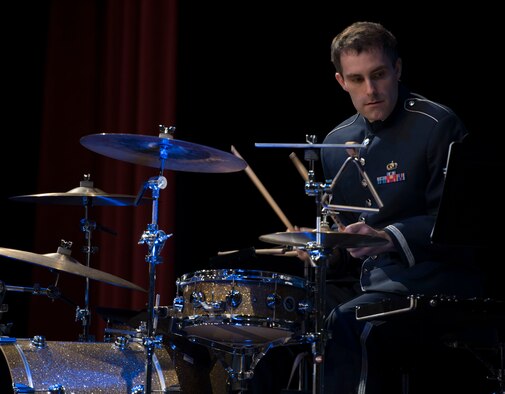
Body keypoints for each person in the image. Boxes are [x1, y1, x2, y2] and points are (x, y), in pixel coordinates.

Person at [317, 21, 489, 393]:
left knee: (347, 323)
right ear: (341, 82)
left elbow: (460, 227)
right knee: (295, 322)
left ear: (397, 69)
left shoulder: (436, 124)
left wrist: (387, 237)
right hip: (369, 284)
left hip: (435, 281)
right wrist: (328, 253)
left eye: (378, 75)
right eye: (357, 79)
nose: (371, 90)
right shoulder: (335, 143)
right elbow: (350, 244)